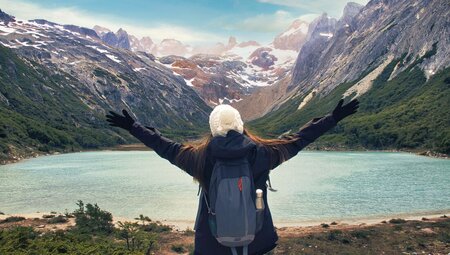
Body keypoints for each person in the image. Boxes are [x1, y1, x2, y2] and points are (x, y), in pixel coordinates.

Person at [106, 99, 359, 255]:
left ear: (212, 129)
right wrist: (332, 119)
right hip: (259, 241)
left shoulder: (198, 158)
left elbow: (166, 147)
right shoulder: (263, 153)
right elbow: (299, 140)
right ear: (240, 125)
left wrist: (134, 127)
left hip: (211, 245)